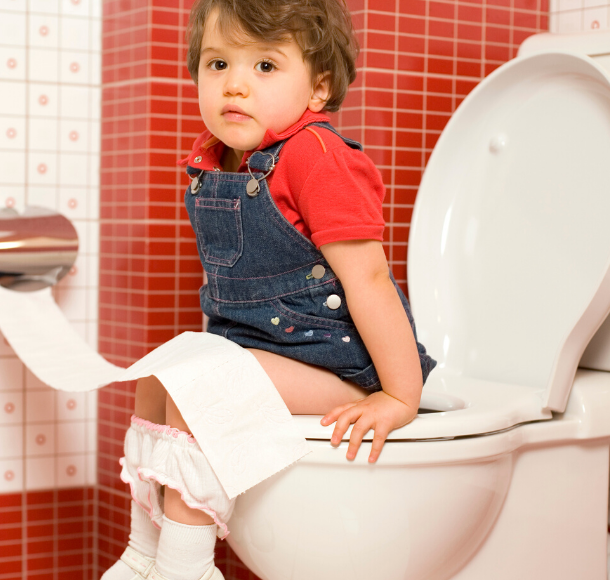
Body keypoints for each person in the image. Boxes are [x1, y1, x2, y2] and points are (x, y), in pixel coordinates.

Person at [103, 0, 436, 579]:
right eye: (217, 64)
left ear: (318, 88)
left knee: (197, 388)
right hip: (272, 351)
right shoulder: (218, 161)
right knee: (157, 375)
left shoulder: (316, 157)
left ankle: (186, 565)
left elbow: (371, 281)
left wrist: (399, 396)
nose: (235, 85)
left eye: (264, 66)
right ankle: (144, 553)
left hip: (342, 364)